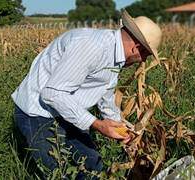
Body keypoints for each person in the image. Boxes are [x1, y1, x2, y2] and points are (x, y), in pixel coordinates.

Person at [12, 10, 162, 178]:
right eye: (146, 55)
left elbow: (105, 92)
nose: (143, 61)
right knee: (57, 173)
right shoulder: (92, 46)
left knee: (93, 167)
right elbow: (52, 94)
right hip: (38, 113)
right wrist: (97, 124)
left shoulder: (115, 54)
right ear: (136, 48)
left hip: (68, 111)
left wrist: (120, 127)